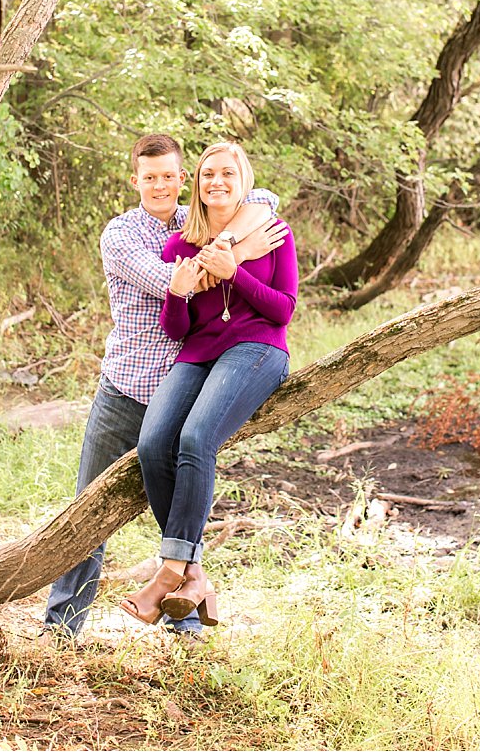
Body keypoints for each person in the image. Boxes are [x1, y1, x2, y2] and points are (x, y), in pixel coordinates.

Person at [43, 133, 287, 640]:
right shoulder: (121, 234)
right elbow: (170, 283)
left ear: (183, 179)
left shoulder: (201, 217)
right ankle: (62, 628)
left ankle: (186, 624)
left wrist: (226, 238)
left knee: (178, 495)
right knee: (88, 512)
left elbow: (263, 199)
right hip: (128, 387)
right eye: (149, 177)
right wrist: (235, 253)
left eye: (170, 176)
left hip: (188, 381)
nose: (160, 185)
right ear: (135, 180)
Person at [119, 141, 298, 626]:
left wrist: (234, 275)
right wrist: (177, 293)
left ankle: (170, 569)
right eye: (206, 175)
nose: (216, 182)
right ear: (194, 186)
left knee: (197, 437)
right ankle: (195, 574)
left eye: (227, 174)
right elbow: (176, 328)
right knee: (153, 443)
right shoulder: (179, 246)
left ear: (244, 181)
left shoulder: (272, 231)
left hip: (258, 349)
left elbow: (283, 309)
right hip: (198, 353)